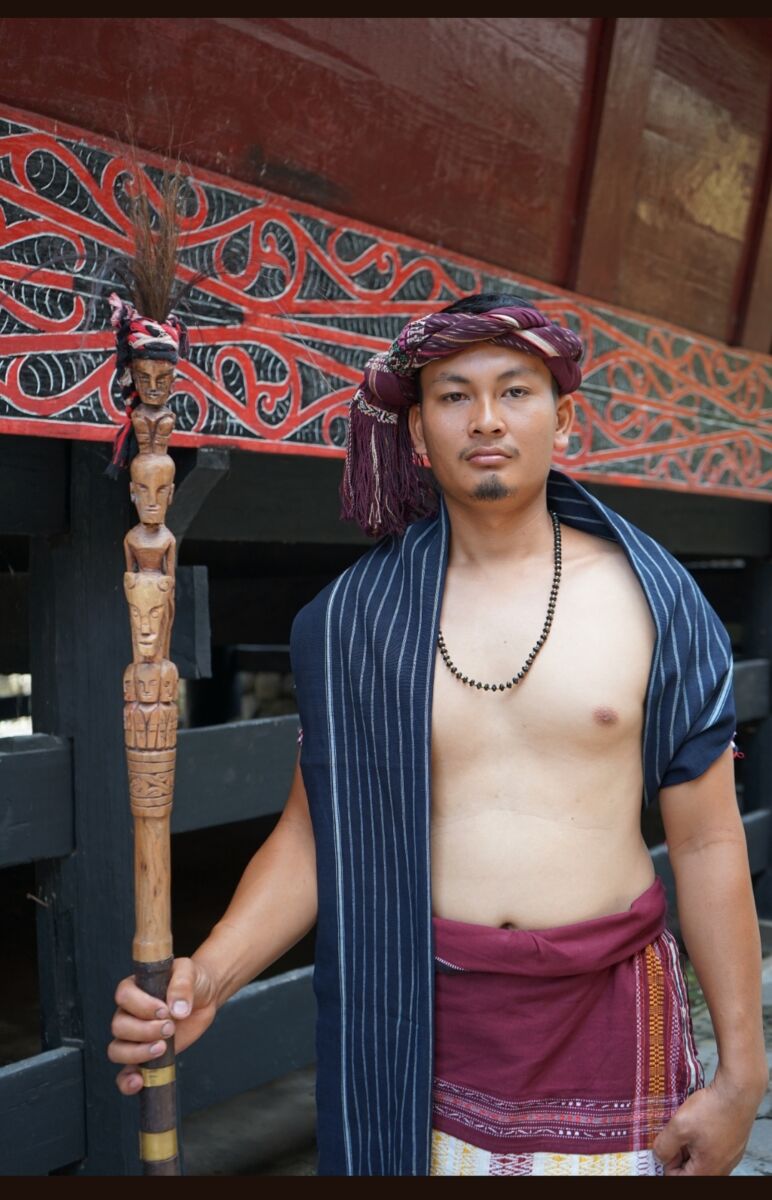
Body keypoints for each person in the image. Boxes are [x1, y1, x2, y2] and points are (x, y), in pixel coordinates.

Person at [108, 295, 768, 1176]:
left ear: (564, 419)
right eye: (455, 396)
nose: (486, 419)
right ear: (417, 432)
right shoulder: (356, 619)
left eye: (516, 391)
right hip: (421, 1022)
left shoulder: (654, 600)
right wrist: (210, 979)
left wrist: (743, 1076)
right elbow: (313, 839)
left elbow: (710, 840)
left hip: (612, 1012)